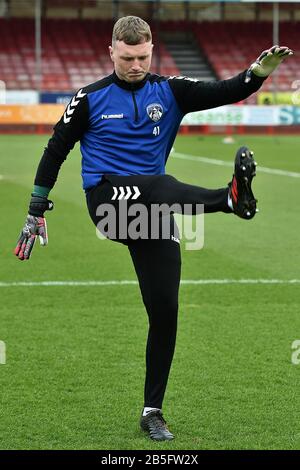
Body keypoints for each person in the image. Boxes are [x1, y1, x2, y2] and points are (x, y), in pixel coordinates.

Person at [14, 16, 292, 441]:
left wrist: (257, 73)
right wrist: (37, 207)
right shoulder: (89, 98)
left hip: (155, 209)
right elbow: (56, 149)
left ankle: (152, 411)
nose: (136, 65)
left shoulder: (171, 91)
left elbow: (227, 90)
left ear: (152, 50)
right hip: (109, 203)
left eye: (143, 56)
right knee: (162, 184)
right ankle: (229, 199)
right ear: (112, 52)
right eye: (127, 58)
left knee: (165, 311)